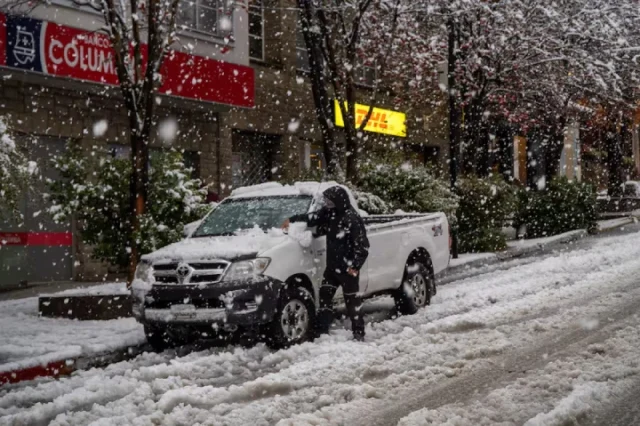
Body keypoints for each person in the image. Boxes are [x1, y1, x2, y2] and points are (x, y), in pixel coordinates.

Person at [283, 186, 370, 341]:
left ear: (339, 201)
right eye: (327, 201)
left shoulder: (352, 219)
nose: (327, 203)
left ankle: (359, 332)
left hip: (348, 269)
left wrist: (355, 266)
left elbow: (363, 246)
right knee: (325, 295)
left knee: (352, 302)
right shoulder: (330, 213)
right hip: (332, 268)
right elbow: (313, 218)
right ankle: (322, 330)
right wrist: (293, 219)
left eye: (330, 201)